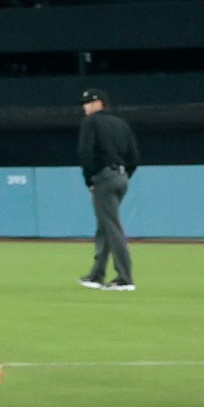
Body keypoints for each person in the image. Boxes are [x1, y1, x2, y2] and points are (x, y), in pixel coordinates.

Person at [76, 88, 138, 291]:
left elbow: (85, 152)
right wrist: (124, 174)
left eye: (88, 102)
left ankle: (124, 277)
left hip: (104, 177)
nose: (85, 107)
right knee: (105, 226)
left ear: (99, 103)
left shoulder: (91, 122)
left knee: (111, 227)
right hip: (121, 177)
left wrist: (89, 179)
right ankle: (97, 274)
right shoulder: (121, 123)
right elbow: (134, 156)